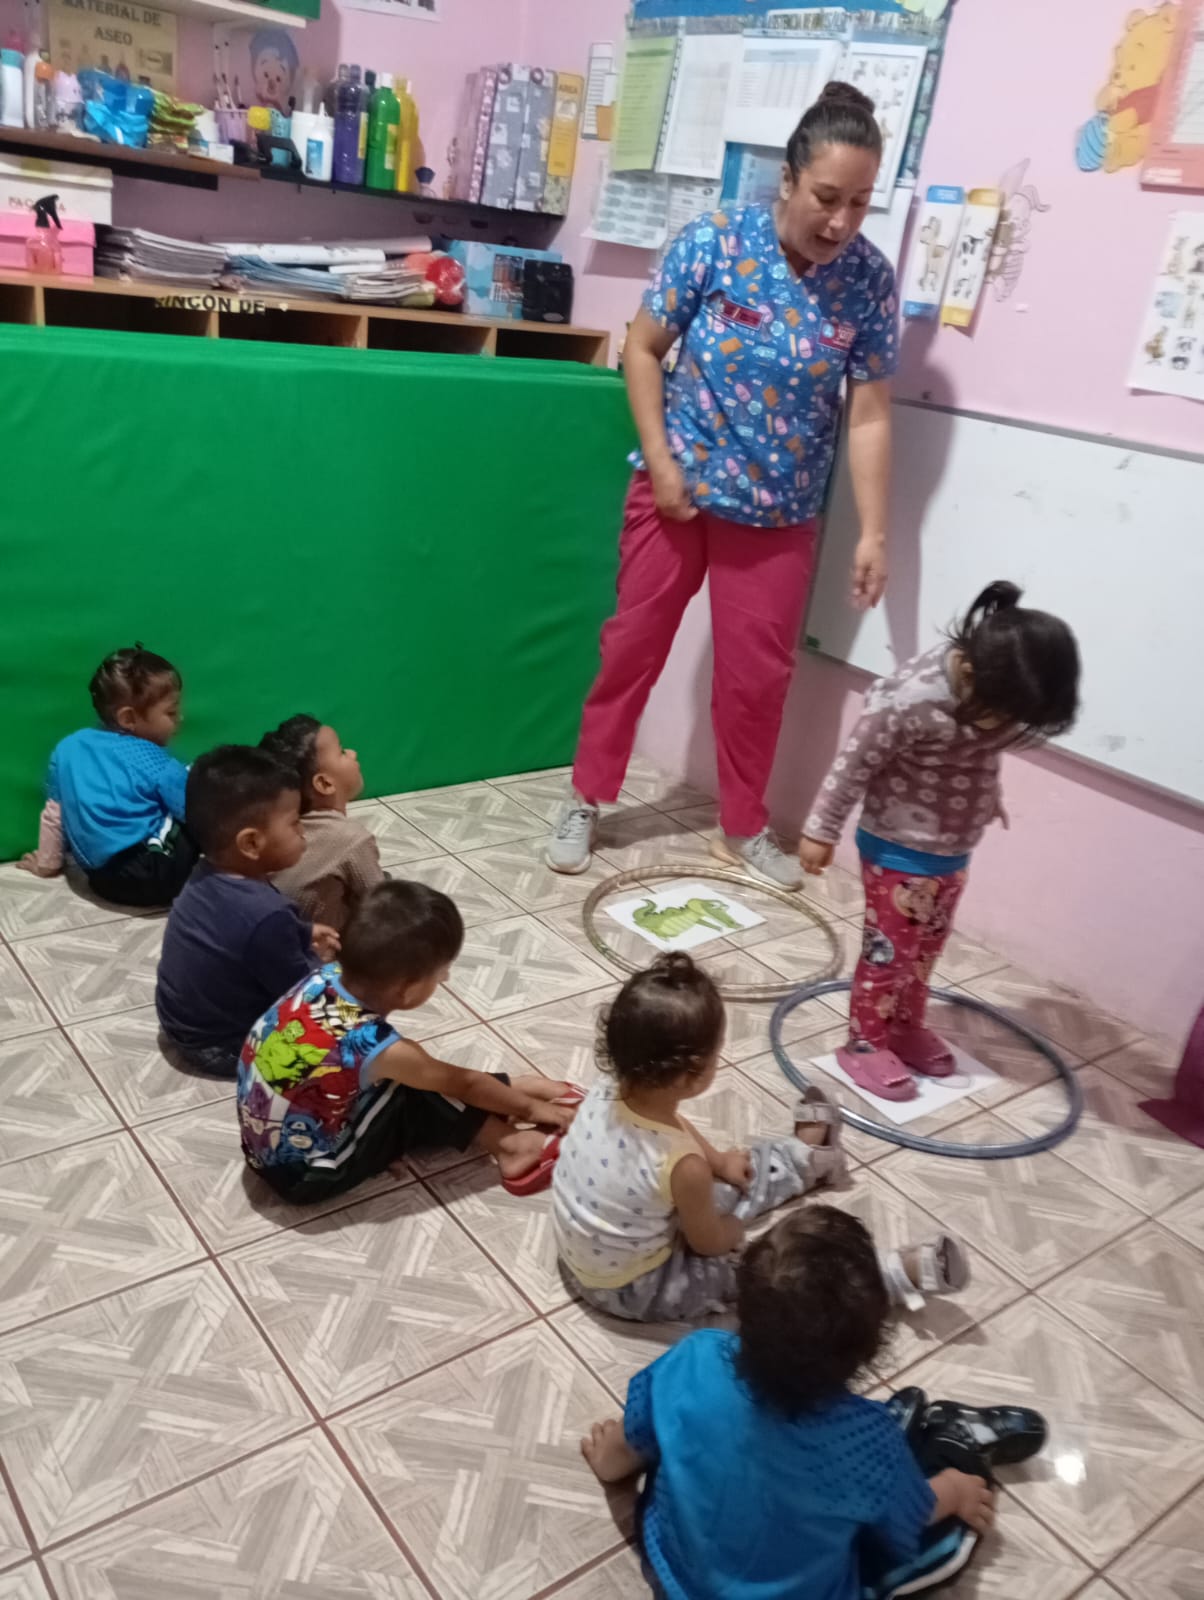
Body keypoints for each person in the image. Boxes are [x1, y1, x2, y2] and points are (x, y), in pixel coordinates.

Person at [548, 81, 898, 891]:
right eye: (826, 198)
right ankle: (585, 797)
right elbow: (641, 350)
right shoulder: (714, 240)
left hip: (777, 517)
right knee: (630, 651)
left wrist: (875, 531)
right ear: (789, 180)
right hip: (676, 497)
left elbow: (871, 414)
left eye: (859, 203)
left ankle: (745, 825)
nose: (840, 222)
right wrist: (662, 460)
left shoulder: (868, 282)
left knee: (756, 682)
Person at [581, 1205, 1048, 1600]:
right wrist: (956, 1491)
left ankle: (923, 1428)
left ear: (743, 1304)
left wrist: (607, 1461)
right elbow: (910, 1518)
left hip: (674, 1573)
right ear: (871, 1348)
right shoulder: (868, 1441)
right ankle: (958, 1444)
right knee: (933, 1539)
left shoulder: (694, 1356)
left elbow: (634, 1441)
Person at [552, 952, 965, 1322]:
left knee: (728, 1180)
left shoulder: (610, 1088)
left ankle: (804, 1157)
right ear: (691, 1075)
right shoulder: (683, 1168)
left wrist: (719, 1163)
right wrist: (732, 1230)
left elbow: (674, 1130)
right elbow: (708, 1243)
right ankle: (881, 1279)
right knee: (766, 1276)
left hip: (586, 1260)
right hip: (634, 1289)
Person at [801, 581, 1081, 1102]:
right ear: (969, 675)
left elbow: (979, 753)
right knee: (888, 956)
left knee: (924, 952)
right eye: (1005, 716)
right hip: (897, 850)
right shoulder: (910, 699)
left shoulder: (996, 694)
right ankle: (864, 1044)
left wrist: (987, 797)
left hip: (953, 851)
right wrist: (821, 830)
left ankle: (905, 1027)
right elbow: (852, 766)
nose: (1006, 728)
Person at [238, 879, 579, 1201]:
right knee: (417, 1086)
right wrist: (531, 1109)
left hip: (267, 1150)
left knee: (409, 1070)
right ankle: (513, 1147)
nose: (446, 978)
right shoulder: (376, 1045)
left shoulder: (324, 977)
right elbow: (465, 1084)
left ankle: (515, 1088)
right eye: (441, 973)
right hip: (306, 1176)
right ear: (408, 989)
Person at [155, 745, 339, 1078]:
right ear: (251, 843)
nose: (303, 832)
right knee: (343, 1032)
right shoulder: (266, 913)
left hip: (180, 1025)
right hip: (222, 1045)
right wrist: (324, 965)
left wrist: (302, 933)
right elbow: (302, 993)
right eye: (295, 823)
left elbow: (238, 934)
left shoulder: (206, 872)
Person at [18, 645, 196, 907]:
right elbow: (195, 811)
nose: (180, 717)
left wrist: (47, 863)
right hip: (156, 876)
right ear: (128, 718)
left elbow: (55, 813)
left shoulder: (67, 748)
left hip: (102, 882)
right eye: (170, 712)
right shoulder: (153, 758)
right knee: (198, 785)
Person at [260, 714, 383, 934]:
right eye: (342, 752)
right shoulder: (351, 839)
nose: (352, 753)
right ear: (325, 784)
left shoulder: (270, 827)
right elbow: (384, 910)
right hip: (321, 951)